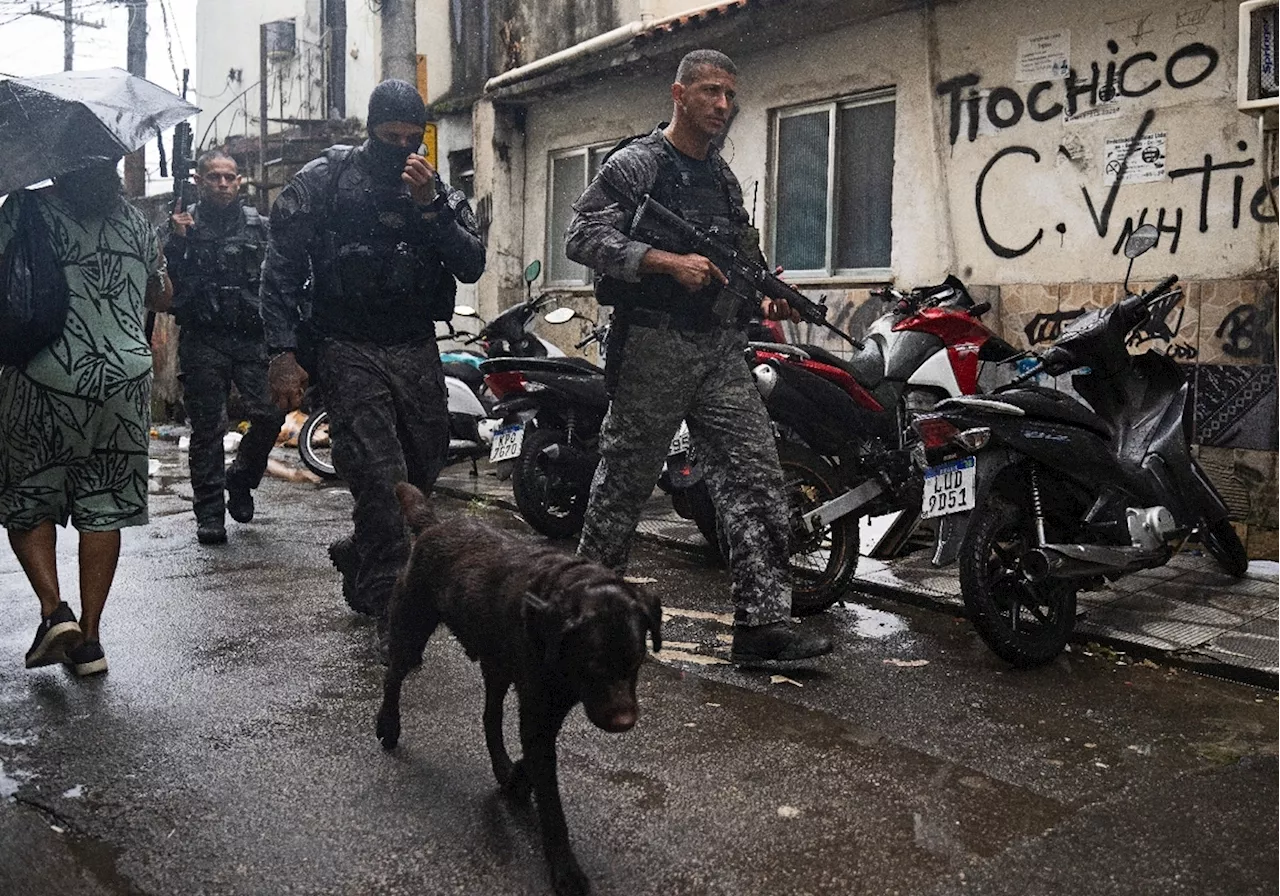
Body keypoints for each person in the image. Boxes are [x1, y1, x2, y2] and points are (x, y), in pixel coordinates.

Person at [565, 49, 832, 666]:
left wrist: (770, 295)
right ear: (678, 94)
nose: (722, 105)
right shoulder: (639, 164)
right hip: (654, 344)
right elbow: (581, 236)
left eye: (728, 95)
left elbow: (741, 262)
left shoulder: (721, 178)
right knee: (624, 484)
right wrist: (662, 262)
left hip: (717, 349)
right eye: (710, 91)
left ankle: (762, 624)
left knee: (756, 477)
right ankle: (582, 613)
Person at [260, 79, 485, 660]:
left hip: (413, 344)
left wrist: (431, 208)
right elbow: (280, 269)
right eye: (392, 138)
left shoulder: (433, 190)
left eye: (414, 138)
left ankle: (362, 554)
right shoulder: (324, 181)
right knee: (384, 476)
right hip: (345, 344)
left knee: (425, 463)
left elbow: (471, 264)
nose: (404, 148)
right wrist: (282, 353)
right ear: (370, 131)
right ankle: (391, 602)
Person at [0, 157, 172, 676]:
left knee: (30, 498)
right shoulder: (135, 220)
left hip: (43, 377)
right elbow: (163, 293)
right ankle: (90, 642)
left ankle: (56, 614)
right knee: (105, 508)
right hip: (124, 383)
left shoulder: (26, 207)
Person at [165, 150, 284, 545]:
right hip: (204, 337)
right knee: (208, 428)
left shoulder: (260, 227)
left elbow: (279, 278)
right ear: (198, 180)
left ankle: (242, 478)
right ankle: (210, 513)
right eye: (214, 177)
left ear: (239, 182)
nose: (222, 184)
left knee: (268, 415)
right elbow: (165, 286)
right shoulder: (183, 225)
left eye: (229, 177)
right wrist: (177, 242)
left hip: (250, 337)